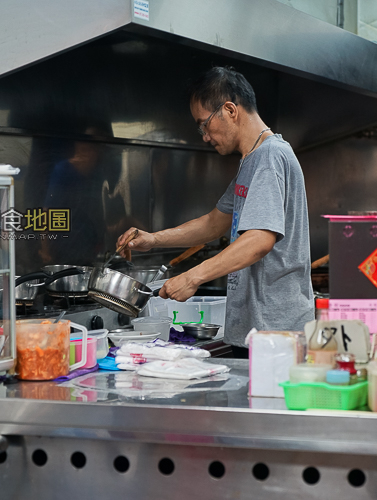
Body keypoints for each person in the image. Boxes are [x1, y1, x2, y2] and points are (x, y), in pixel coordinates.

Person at [116, 67, 314, 357]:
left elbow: (259, 240)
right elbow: (214, 222)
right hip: (255, 333)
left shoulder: (270, 157)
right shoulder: (252, 160)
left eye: (204, 124)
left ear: (230, 110)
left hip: (275, 335)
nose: (205, 136)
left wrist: (192, 277)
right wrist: (153, 240)